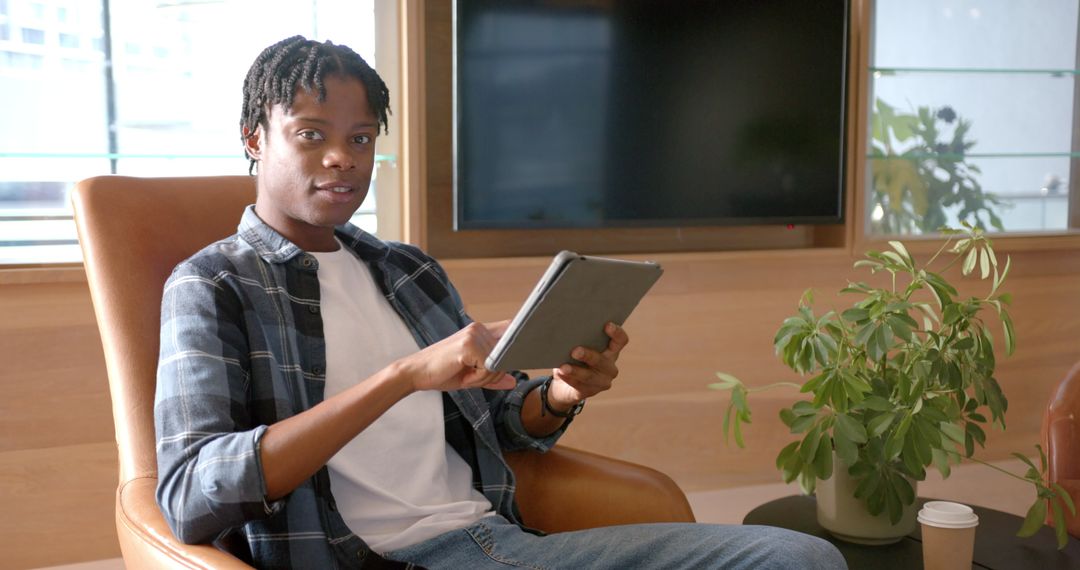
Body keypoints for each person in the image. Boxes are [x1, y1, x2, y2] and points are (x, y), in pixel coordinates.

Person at [154, 35, 847, 570]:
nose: (342, 157)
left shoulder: (406, 271)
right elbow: (191, 496)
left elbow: (498, 421)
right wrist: (402, 376)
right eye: (313, 134)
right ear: (254, 139)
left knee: (799, 556)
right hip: (362, 558)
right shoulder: (212, 284)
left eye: (360, 138)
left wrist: (565, 392)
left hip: (491, 544)